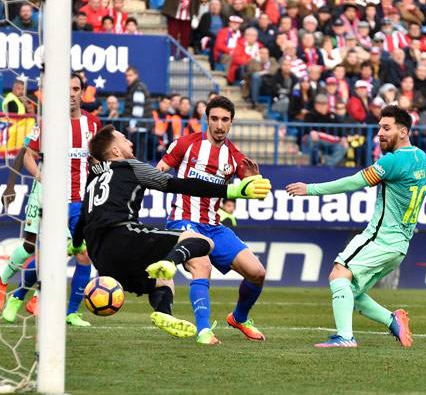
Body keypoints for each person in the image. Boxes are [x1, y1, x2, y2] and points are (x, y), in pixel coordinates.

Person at [286, 106, 426, 348]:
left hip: (380, 238)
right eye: (379, 127)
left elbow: (354, 182)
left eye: (386, 128)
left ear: (403, 131)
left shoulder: (392, 161)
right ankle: (393, 321)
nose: (379, 133)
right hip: (399, 247)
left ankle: (345, 337)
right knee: (350, 292)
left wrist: (311, 189)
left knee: (339, 274)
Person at [71, 125, 270, 344]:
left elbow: (82, 218)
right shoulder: (131, 166)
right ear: (116, 152)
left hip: (101, 259)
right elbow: (178, 184)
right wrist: (232, 191)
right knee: (202, 242)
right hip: (122, 235)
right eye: (125, 140)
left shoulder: (93, 177)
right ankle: (170, 261)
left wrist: (76, 243)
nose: (130, 142)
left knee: (162, 283)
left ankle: (164, 312)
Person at [156, 96, 269, 341]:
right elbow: (157, 175)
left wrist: (255, 183)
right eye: (214, 119)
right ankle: (204, 330)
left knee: (257, 273)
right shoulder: (184, 145)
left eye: (225, 120)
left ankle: (238, 318)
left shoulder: (234, 157)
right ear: (206, 119)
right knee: (202, 265)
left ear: (231, 122)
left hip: (214, 226)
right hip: (182, 222)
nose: (219, 125)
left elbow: (255, 192)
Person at [1, 74, 101, 327]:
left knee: (84, 255)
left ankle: (71, 312)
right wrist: (40, 176)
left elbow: (96, 160)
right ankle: (18, 296)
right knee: (45, 254)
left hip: (80, 200)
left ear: (82, 92)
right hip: (54, 200)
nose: (71, 94)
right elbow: (27, 155)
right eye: (67, 89)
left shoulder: (93, 124)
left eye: (76, 89)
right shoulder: (49, 123)